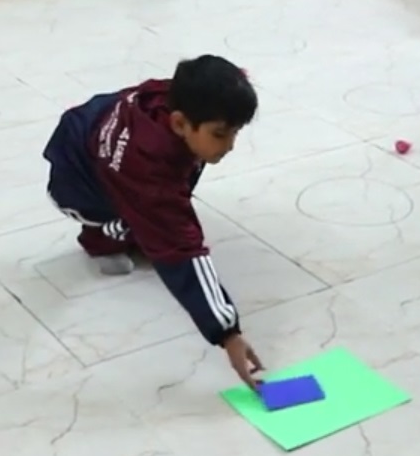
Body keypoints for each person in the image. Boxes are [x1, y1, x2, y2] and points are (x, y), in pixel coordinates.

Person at [41, 55, 265, 387]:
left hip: (95, 133)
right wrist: (228, 333)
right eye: (220, 134)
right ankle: (100, 239)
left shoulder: (180, 98)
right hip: (78, 184)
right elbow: (182, 250)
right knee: (158, 225)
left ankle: (137, 226)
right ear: (179, 123)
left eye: (235, 132)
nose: (230, 145)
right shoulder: (148, 170)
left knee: (168, 199)